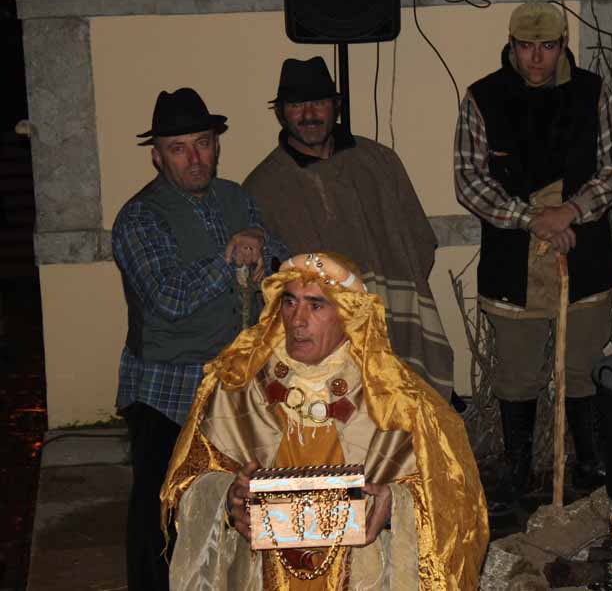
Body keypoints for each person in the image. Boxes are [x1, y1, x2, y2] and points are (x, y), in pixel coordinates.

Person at [161, 252, 489, 590]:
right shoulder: (238, 386)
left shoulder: (396, 398)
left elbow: (452, 498)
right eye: (290, 302)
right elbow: (188, 479)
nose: (297, 320)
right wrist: (227, 498)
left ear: (348, 315)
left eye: (316, 306)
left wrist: (395, 505)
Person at [454, 1, 612, 506]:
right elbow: (469, 179)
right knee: (517, 372)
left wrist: (571, 211)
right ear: (511, 45)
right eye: (526, 47)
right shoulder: (483, 97)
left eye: (547, 47)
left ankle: (590, 465)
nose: (536, 58)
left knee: (583, 366)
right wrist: (533, 219)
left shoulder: (593, 92)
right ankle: (518, 472)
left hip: (584, 251)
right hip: (513, 258)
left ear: (562, 46)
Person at [112, 87, 286, 591]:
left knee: (230, 502)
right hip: (165, 388)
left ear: (216, 145)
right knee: (161, 512)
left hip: (234, 383)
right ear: (157, 156)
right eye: (179, 148)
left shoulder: (236, 197)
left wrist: (262, 243)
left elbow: (279, 252)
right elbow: (168, 296)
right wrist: (231, 256)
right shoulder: (139, 217)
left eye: (203, 144)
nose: (194, 159)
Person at [244, 57, 458, 404]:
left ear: (336, 106)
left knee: (403, 415)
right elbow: (269, 285)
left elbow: (419, 240)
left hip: (393, 323)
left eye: (319, 102)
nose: (309, 114)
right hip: (322, 342)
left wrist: (392, 296)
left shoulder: (379, 162)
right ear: (280, 114)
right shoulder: (263, 187)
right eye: (297, 105)